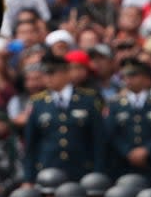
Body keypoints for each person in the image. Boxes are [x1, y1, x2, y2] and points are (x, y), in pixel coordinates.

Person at [23, 53, 106, 182]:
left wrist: (98, 173)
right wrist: (28, 178)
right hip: (48, 170)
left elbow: (99, 141)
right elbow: (31, 144)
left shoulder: (88, 100)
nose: (48, 78)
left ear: (66, 74)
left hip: (81, 170)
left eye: (52, 73)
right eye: (45, 74)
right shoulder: (38, 103)